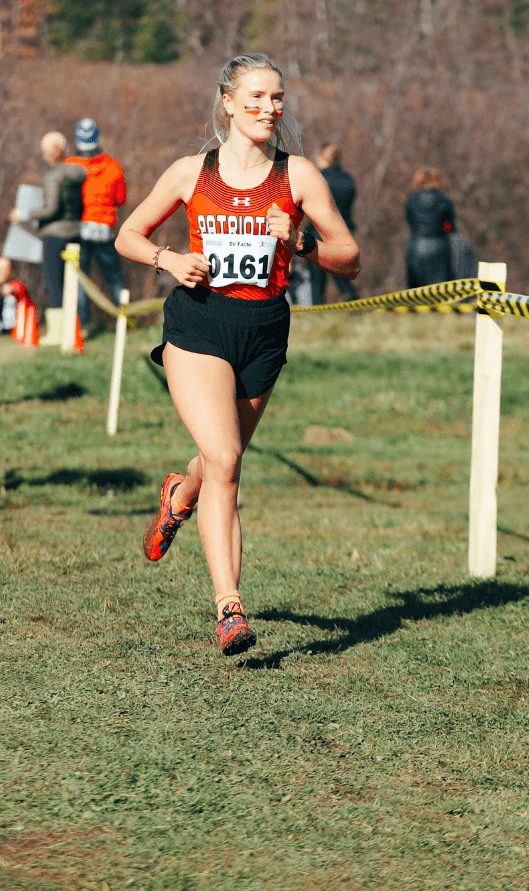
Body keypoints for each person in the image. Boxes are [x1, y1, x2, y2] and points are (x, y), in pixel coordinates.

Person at [115, 53, 359, 657]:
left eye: (276, 98)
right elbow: (128, 234)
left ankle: (179, 496)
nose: (267, 108)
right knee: (225, 458)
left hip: (264, 330)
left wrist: (298, 240)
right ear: (227, 102)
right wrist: (168, 260)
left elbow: (350, 256)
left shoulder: (297, 176)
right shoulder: (190, 173)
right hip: (199, 325)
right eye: (254, 98)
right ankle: (230, 608)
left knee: (218, 458)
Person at [7, 131, 85, 315]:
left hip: (54, 235)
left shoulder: (53, 176)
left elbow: (51, 209)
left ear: (51, 152)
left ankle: (56, 332)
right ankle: (79, 324)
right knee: (75, 283)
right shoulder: (77, 173)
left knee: (53, 283)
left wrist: (25, 214)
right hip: (75, 232)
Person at [66, 117, 128, 332]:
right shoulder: (112, 166)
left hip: (78, 230)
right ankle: (126, 319)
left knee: (81, 278)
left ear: (76, 139)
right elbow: (121, 200)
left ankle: (81, 326)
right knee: (114, 277)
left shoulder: (70, 166)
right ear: (97, 138)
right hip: (104, 230)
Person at [307, 143, 359, 305]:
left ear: (321, 157)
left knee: (317, 279)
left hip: (318, 232)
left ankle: (317, 310)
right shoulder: (348, 179)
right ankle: (353, 304)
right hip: (344, 231)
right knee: (342, 275)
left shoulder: (317, 177)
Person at [404, 167, 456, 288]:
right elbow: (449, 226)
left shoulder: (411, 200)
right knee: (441, 291)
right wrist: (445, 229)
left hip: (416, 245)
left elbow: (410, 221)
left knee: (416, 292)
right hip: (439, 246)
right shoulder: (444, 200)